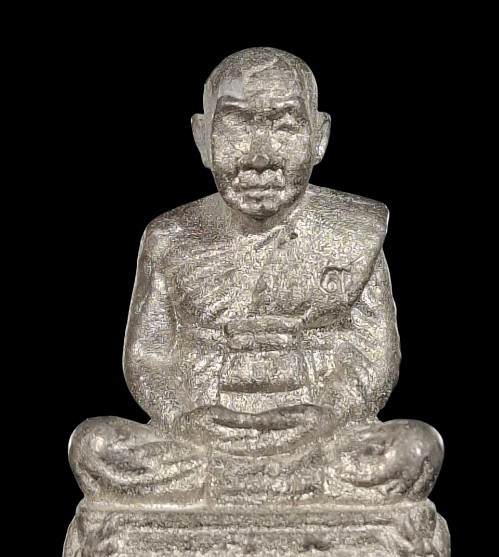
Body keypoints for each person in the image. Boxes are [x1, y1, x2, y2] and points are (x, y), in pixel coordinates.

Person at [69, 47, 443, 506]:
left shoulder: (355, 232)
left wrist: (331, 413)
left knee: (414, 450)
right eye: (236, 126)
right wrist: (183, 416)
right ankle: (281, 485)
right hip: (204, 439)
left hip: (317, 435)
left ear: (319, 137)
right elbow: (147, 356)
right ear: (202, 137)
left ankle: (244, 484)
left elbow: (375, 355)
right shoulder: (170, 238)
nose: (260, 157)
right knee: (94, 445)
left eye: (284, 126)